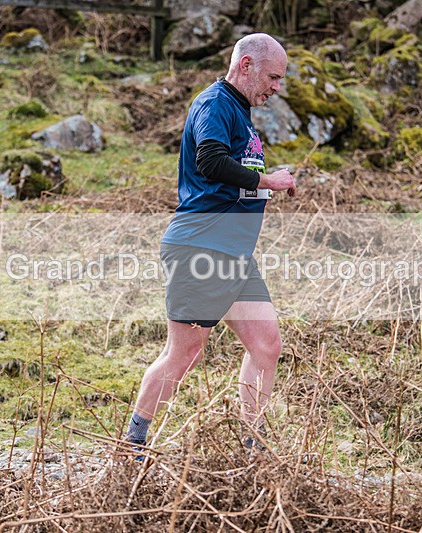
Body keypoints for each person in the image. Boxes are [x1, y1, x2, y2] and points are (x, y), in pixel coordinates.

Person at [124, 33, 296, 454]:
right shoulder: (216, 103)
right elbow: (211, 161)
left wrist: (265, 182)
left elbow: (229, 176)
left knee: (266, 345)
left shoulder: (239, 111)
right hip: (202, 248)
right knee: (184, 354)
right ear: (246, 65)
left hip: (233, 255)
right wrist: (267, 179)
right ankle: (131, 445)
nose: (277, 87)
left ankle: (254, 449)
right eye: (273, 77)